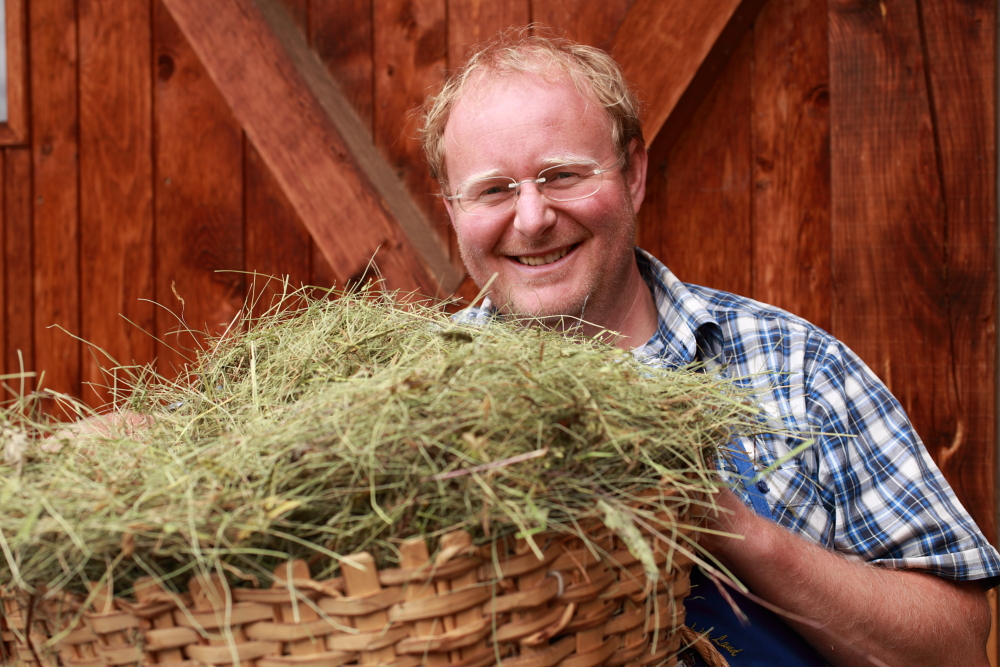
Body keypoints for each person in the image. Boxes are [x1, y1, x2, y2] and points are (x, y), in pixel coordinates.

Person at [418, 30, 1000, 666]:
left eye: (562, 176)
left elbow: (959, 650)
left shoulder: (796, 366)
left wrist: (728, 525)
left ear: (633, 174)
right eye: (494, 190)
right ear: (451, 208)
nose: (532, 218)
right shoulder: (405, 403)